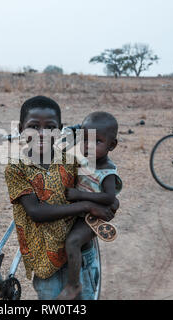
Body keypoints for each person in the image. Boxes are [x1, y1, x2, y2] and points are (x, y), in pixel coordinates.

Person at [4, 96, 119, 300]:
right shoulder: (17, 168)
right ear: (21, 128)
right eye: (33, 127)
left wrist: (110, 204)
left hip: (81, 255)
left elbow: (95, 186)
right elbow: (36, 212)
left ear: (60, 129)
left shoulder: (70, 160)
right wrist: (86, 205)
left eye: (50, 127)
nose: (42, 134)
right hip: (45, 260)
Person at [57, 112, 122, 300]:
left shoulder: (107, 171)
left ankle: (74, 285)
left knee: (73, 241)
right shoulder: (85, 160)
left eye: (97, 142)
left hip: (90, 218)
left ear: (112, 145)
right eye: (85, 140)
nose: (88, 146)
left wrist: (80, 195)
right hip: (79, 211)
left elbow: (110, 198)